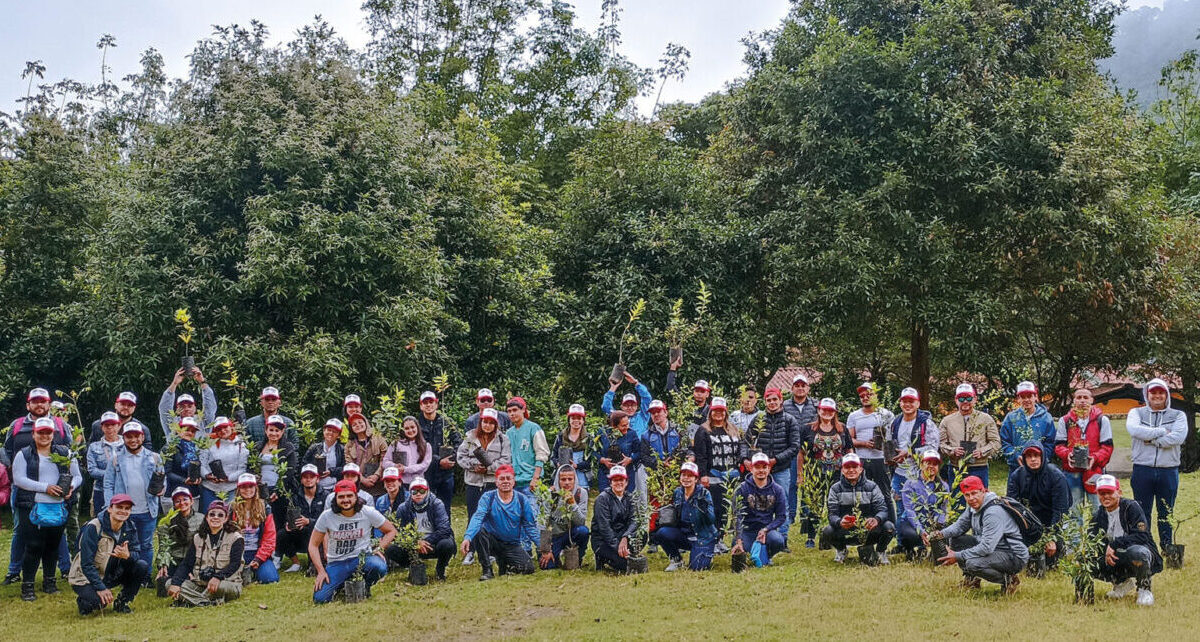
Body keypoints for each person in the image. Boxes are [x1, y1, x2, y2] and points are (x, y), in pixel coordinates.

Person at [4, 388, 72, 586]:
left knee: (57, 530)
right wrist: (15, 469)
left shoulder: (60, 425)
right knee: (21, 531)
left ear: (49, 404)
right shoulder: (16, 425)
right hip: (23, 487)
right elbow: (5, 450)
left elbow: (71, 452)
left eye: (43, 401)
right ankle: (14, 572)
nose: (39, 405)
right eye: (35, 401)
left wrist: (67, 484)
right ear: (28, 405)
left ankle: (64, 570)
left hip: (56, 491)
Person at [12, 417, 82, 600]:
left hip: (58, 506)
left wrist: (71, 487)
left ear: (54, 434)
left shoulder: (65, 453)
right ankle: (27, 586)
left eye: (48, 432)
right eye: (40, 432)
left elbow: (77, 476)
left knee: (52, 546)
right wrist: (45, 487)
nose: (44, 436)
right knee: (34, 545)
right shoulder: (24, 454)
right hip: (32, 505)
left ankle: (49, 582)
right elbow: (19, 479)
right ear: (33, 434)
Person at [925, 475, 1028, 593]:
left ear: (983, 491)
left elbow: (986, 548)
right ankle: (971, 580)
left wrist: (957, 556)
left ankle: (1009, 580)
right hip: (994, 548)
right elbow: (960, 526)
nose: (971, 498)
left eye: (974, 493)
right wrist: (938, 535)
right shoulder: (973, 507)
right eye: (967, 495)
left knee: (972, 563)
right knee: (957, 539)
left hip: (1012, 555)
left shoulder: (993, 513)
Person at [1124, 378, 1187, 548]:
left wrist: (1151, 440)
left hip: (1168, 470)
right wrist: (1161, 432)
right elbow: (1134, 430)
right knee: (1142, 511)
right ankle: (1146, 546)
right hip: (1142, 469)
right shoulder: (1136, 413)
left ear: (1167, 395)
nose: (1157, 396)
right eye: (1154, 393)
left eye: (1161, 393)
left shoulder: (1178, 415)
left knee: (1166, 511)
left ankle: (1167, 546)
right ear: (1147, 395)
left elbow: (1178, 437)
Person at [310, 479, 396, 603]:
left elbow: (391, 530)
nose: (346, 500)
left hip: (361, 559)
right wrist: (321, 571)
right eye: (341, 497)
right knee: (320, 599)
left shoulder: (367, 512)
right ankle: (342, 586)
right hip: (337, 562)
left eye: (349, 496)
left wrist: (379, 548)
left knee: (380, 567)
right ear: (335, 498)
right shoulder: (326, 516)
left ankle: (364, 586)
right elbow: (313, 545)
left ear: (356, 496)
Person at [102, 421, 165, 572]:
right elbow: (108, 484)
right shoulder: (116, 459)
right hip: (124, 512)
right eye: (129, 436)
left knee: (146, 544)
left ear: (142, 437)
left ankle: (144, 575)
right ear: (123, 438)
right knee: (124, 544)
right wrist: (109, 506)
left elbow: (163, 479)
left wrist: (162, 489)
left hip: (147, 509)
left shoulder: (155, 458)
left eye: (136, 436)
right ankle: (124, 573)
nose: (133, 440)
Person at [68, 494, 146, 615]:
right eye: (119, 507)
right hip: (84, 576)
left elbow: (137, 553)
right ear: (110, 508)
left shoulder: (130, 527)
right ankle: (84, 600)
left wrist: (128, 556)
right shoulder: (93, 527)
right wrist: (101, 588)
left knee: (141, 566)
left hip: (111, 573)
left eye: (127, 508)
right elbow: (86, 564)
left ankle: (123, 602)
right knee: (98, 603)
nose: (123, 511)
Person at [1091, 475, 1160, 606]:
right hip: (1113, 558)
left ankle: (1144, 589)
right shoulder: (1098, 515)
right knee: (1084, 560)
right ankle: (1121, 583)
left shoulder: (1131, 507)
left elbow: (1142, 536)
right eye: (1102, 493)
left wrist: (1114, 544)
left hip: (1136, 553)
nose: (1106, 496)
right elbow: (1091, 540)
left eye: (1110, 492)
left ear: (1119, 492)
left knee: (1138, 552)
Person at [744, 387, 801, 545]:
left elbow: (795, 446)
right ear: (765, 402)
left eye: (775, 399)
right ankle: (756, 532)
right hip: (760, 469)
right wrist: (744, 459)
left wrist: (776, 459)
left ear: (781, 400)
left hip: (780, 469)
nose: (772, 403)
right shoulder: (759, 419)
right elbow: (747, 441)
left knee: (783, 503)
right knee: (757, 501)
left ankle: (782, 539)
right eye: (769, 400)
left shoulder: (790, 420)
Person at [461, 465, 537, 580]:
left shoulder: (522, 500)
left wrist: (543, 548)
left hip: (512, 544)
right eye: (502, 479)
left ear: (513, 481)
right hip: (492, 542)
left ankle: (504, 564)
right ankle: (487, 570)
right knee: (479, 531)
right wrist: (468, 537)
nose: (505, 481)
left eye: (508, 478)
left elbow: (530, 527)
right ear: (496, 482)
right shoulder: (488, 497)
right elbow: (477, 517)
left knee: (528, 568)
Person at [167, 500, 244, 606]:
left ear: (226, 519)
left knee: (220, 587)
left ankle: (189, 601)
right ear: (207, 517)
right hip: (201, 583)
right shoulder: (198, 537)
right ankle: (205, 603)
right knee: (169, 583)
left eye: (220, 515)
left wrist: (218, 577)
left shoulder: (235, 538)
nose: (215, 517)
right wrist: (175, 583)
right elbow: (187, 564)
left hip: (226, 583)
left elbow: (235, 564)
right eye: (212, 514)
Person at [692, 397, 744, 553]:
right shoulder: (703, 430)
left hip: (732, 475)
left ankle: (721, 538)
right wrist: (703, 475)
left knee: (727, 509)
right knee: (714, 509)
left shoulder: (734, 429)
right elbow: (700, 454)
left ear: (726, 412)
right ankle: (712, 539)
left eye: (721, 410)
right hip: (713, 474)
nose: (718, 413)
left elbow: (740, 451)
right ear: (710, 412)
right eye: (715, 410)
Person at [799, 397, 852, 548]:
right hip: (815, 473)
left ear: (834, 412)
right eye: (824, 410)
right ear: (819, 411)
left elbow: (849, 449)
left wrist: (849, 469)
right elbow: (801, 453)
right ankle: (811, 536)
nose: (827, 413)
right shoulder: (808, 429)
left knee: (836, 504)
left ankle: (837, 533)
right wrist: (800, 474)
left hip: (837, 473)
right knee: (815, 505)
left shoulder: (842, 428)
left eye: (830, 411)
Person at [822, 453, 892, 565]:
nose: (851, 470)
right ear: (842, 470)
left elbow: (883, 509)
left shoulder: (872, 486)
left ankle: (880, 551)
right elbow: (832, 515)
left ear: (860, 469)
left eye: (854, 467)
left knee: (889, 527)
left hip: (868, 529)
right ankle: (841, 550)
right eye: (847, 467)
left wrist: (876, 520)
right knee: (827, 531)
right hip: (846, 530)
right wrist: (840, 522)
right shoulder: (835, 489)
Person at [1007, 442, 1070, 566]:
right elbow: (1011, 506)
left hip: (1051, 520)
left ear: (1042, 456)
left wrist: (1052, 537)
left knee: (1052, 563)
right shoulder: (1017, 476)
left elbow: (1061, 510)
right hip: (1028, 524)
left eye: (1036, 455)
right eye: (1029, 456)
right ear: (1024, 459)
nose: (1033, 459)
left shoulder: (1056, 476)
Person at [457, 407, 512, 543]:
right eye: (485, 422)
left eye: (491, 422)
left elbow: (505, 460)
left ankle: (492, 549)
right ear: (480, 422)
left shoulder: (502, 439)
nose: (487, 425)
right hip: (473, 483)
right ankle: (471, 548)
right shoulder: (470, 437)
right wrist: (474, 466)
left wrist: (488, 469)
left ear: (496, 424)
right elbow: (460, 457)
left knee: (493, 516)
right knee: (473, 514)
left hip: (492, 483)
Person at [1055, 386, 1114, 510]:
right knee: (1073, 509)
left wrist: (1094, 458)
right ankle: (1075, 530)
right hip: (1072, 472)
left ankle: (1098, 530)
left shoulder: (1102, 420)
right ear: (1074, 401)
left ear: (1092, 400)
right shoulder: (1065, 421)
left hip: (1094, 471)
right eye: (1079, 397)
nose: (1082, 401)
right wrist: (1068, 455)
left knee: (1098, 509)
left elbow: (1107, 447)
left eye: (1085, 397)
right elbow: (1059, 446)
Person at [847, 382, 896, 526]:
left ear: (875, 395)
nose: (865, 397)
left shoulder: (886, 414)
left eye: (868, 394)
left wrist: (888, 454)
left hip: (881, 460)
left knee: (885, 493)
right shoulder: (854, 416)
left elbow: (892, 438)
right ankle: (864, 525)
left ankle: (891, 525)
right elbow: (849, 440)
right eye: (862, 396)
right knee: (862, 494)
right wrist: (863, 443)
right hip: (862, 460)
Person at [387, 477, 455, 581]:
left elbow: (445, 529)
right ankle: (413, 567)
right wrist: (415, 543)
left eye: (422, 491)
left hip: (433, 543)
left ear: (427, 491)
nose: (418, 494)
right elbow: (399, 532)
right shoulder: (403, 508)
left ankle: (440, 569)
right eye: (414, 491)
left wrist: (425, 541)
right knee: (391, 549)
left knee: (448, 544)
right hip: (413, 545)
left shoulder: (437, 504)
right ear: (410, 493)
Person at [887, 387, 940, 522]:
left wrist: (910, 453)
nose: (908, 404)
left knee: (919, 508)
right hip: (899, 473)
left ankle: (921, 541)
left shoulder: (926, 423)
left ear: (918, 403)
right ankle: (901, 542)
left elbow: (933, 448)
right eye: (905, 401)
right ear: (900, 403)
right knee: (900, 509)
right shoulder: (895, 423)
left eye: (912, 401)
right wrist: (890, 456)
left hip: (919, 474)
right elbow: (890, 443)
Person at [652, 461, 716, 571]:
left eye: (690, 475)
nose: (686, 478)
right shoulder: (678, 492)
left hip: (702, 537)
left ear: (696, 479)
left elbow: (711, 520)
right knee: (662, 533)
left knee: (697, 568)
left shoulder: (704, 494)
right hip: (684, 534)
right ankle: (677, 560)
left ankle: (707, 552)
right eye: (683, 475)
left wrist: (703, 509)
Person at [731, 453, 788, 566]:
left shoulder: (778, 490)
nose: (761, 470)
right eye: (757, 467)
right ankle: (750, 552)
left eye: (764, 467)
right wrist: (738, 539)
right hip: (747, 531)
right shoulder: (741, 489)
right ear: (751, 469)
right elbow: (737, 515)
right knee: (738, 547)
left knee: (778, 541)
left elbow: (781, 516)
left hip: (767, 530)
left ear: (769, 469)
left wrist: (766, 529)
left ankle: (767, 555)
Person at [938, 383, 999, 487]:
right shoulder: (947, 421)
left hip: (979, 467)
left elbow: (996, 442)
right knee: (957, 501)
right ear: (956, 400)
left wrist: (982, 452)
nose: (965, 401)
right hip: (956, 467)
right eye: (961, 398)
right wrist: (952, 450)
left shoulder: (986, 419)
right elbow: (940, 444)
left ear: (975, 399)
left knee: (979, 500)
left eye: (969, 398)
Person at [784, 374, 818, 539]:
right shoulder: (784, 406)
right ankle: (791, 515)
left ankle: (805, 514)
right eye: (796, 385)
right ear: (792, 388)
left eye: (803, 385)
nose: (800, 388)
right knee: (792, 483)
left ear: (808, 388)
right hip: (790, 449)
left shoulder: (815, 406)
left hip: (809, 451)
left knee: (808, 484)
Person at [415, 390, 461, 511]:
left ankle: (445, 530)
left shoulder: (447, 422)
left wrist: (451, 459)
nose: (428, 405)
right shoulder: (416, 425)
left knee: (445, 509)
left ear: (437, 404)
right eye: (425, 402)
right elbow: (416, 448)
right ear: (421, 405)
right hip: (425, 473)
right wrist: (438, 461)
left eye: (431, 402)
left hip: (446, 474)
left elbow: (459, 443)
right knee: (425, 508)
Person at [898, 451, 949, 557]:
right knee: (910, 535)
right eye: (928, 463)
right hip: (912, 521)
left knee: (948, 531)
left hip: (932, 522)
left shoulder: (944, 486)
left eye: (934, 464)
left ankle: (936, 552)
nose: (931, 466)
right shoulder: (910, 483)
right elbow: (909, 510)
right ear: (921, 465)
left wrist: (936, 528)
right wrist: (921, 531)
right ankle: (910, 550)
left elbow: (942, 510)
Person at [257, 418, 298, 551]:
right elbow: (251, 466)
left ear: (282, 432)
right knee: (262, 520)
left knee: (278, 521)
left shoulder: (288, 448)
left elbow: (290, 470)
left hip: (280, 490)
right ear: (266, 430)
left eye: (277, 430)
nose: (274, 433)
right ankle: (262, 548)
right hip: (261, 489)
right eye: (271, 430)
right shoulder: (258, 446)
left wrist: (278, 490)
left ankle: (278, 552)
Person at [539, 465, 590, 570]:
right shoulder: (550, 494)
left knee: (583, 531)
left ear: (575, 480)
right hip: (554, 537)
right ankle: (557, 556)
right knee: (548, 567)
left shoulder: (581, 493)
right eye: (563, 479)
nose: (567, 482)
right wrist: (546, 550)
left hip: (571, 534)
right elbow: (543, 523)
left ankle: (577, 559)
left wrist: (572, 503)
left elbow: (581, 522)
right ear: (558, 480)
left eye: (570, 479)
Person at [591, 465, 640, 573]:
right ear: (610, 482)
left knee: (642, 535)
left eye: (621, 480)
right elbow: (604, 528)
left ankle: (626, 553)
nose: (619, 483)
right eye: (615, 480)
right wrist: (617, 546)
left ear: (626, 482)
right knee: (625, 565)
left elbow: (634, 520)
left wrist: (625, 537)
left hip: (622, 536)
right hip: (603, 540)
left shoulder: (630, 498)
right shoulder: (602, 499)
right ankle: (601, 557)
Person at [231, 474, 278, 584]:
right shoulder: (231, 508)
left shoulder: (265, 508)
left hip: (257, 552)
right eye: (243, 487)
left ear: (256, 488)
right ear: (238, 489)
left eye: (250, 486)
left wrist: (259, 559)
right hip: (237, 553)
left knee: (270, 579)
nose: (247, 490)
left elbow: (270, 538)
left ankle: (254, 570)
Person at [999, 381, 1055, 474]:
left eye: (1029, 396)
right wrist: (1016, 456)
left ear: (1035, 397)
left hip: (1040, 468)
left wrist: (1040, 459)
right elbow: (1005, 442)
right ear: (1018, 399)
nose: (1026, 400)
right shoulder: (1011, 418)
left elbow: (1050, 443)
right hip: (1016, 468)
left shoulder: (1046, 418)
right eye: (1023, 397)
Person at [279, 464, 326, 573]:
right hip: (301, 534)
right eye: (305, 477)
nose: (308, 480)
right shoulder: (294, 498)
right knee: (282, 534)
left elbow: (327, 521)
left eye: (312, 477)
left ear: (317, 479)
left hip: (321, 534)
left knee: (311, 529)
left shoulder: (326, 496)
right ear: (301, 480)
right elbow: (289, 516)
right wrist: (289, 524)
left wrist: (309, 521)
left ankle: (314, 563)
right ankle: (296, 563)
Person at [199, 416, 249, 511]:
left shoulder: (240, 444)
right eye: (219, 429)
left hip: (231, 488)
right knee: (209, 515)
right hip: (210, 488)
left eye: (225, 427)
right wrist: (207, 475)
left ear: (231, 427)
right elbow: (202, 463)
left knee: (230, 516)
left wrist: (228, 478)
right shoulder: (208, 444)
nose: (223, 430)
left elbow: (243, 469)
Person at [155, 488, 204, 583]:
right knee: (166, 581)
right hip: (174, 559)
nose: (182, 503)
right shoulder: (166, 521)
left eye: (185, 499)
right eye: (178, 501)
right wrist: (163, 564)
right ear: (173, 504)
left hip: (193, 559)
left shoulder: (201, 519)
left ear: (191, 501)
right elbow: (164, 546)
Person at [157, 367, 217, 442]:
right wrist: (174, 383)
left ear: (195, 408)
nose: (186, 408)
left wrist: (202, 382)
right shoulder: (173, 423)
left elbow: (210, 407)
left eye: (189, 406)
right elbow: (164, 409)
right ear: (177, 409)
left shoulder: (203, 421)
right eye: (182, 406)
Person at [505, 397, 550, 495]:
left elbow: (541, 454)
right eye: (509, 411)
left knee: (532, 509)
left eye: (515, 410)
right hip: (514, 482)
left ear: (523, 410)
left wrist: (535, 478)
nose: (512, 413)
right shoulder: (508, 433)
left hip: (531, 481)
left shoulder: (534, 428)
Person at [597, 410, 646, 496]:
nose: (627, 427)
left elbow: (640, 451)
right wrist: (602, 460)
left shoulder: (631, 434)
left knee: (626, 501)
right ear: (614, 426)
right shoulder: (602, 433)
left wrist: (630, 459)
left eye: (628, 424)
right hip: (606, 474)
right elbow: (592, 452)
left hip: (626, 474)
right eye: (623, 425)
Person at [85, 412, 124, 516]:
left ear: (119, 425)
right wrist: (112, 474)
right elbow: (92, 470)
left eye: (113, 424)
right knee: (102, 521)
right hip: (100, 491)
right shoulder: (94, 447)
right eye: (106, 425)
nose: (110, 428)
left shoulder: (128, 446)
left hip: (125, 490)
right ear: (102, 427)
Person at [552, 404, 595, 489]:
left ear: (583, 421)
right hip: (563, 478)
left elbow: (591, 461)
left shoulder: (589, 438)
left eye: (579, 418)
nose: (576, 421)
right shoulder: (560, 436)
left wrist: (577, 466)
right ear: (569, 420)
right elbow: (553, 456)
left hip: (582, 479)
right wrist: (557, 463)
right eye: (573, 418)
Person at [382, 416, 432, 490]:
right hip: (400, 483)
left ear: (417, 427)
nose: (410, 430)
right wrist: (394, 466)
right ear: (403, 430)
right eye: (406, 428)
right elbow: (385, 461)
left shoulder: (426, 446)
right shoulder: (396, 444)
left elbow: (424, 465)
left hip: (418, 483)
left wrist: (406, 469)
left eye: (412, 427)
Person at [344, 412, 387, 497]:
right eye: (354, 424)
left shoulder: (379, 439)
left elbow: (385, 459)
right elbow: (350, 465)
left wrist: (376, 475)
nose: (358, 425)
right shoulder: (349, 446)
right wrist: (363, 479)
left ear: (366, 423)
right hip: (359, 487)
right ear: (351, 428)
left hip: (378, 486)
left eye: (360, 422)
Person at [601, 371, 652, 438]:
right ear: (621, 407)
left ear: (637, 407)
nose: (630, 408)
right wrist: (613, 388)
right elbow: (605, 407)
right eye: (626, 405)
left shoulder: (642, 416)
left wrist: (636, 383)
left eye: (633, 405)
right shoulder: (617, 417)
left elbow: (647, 398)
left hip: (640, 447)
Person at [164, 416, 203, 502]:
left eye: (193, 431)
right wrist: (184, 480)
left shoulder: (196, 448)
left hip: (193, 493)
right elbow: (167, 472)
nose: (190, 433)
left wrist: (199, 477)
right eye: (186, 430)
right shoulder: (170, 448)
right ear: (178, 430)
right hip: (173, 493)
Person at [303, 419, 347, 493]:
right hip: (315, 487)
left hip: (334, 487)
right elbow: (304, 464)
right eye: (329, 430)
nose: (330, 433)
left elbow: (345, 468)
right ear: (324, 431)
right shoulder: (314, 448)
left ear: (339, 435)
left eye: (334, 431)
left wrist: (331, 471)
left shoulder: (343, 450)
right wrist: (314, 473)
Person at [666, 358, 710, 425]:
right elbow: (671, 388)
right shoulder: (685, 404)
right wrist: (673, 368)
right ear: (693, 392)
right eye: (697, 391)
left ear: (707, 394)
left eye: (702, 391)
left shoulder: (710, 410)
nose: (699, 394)